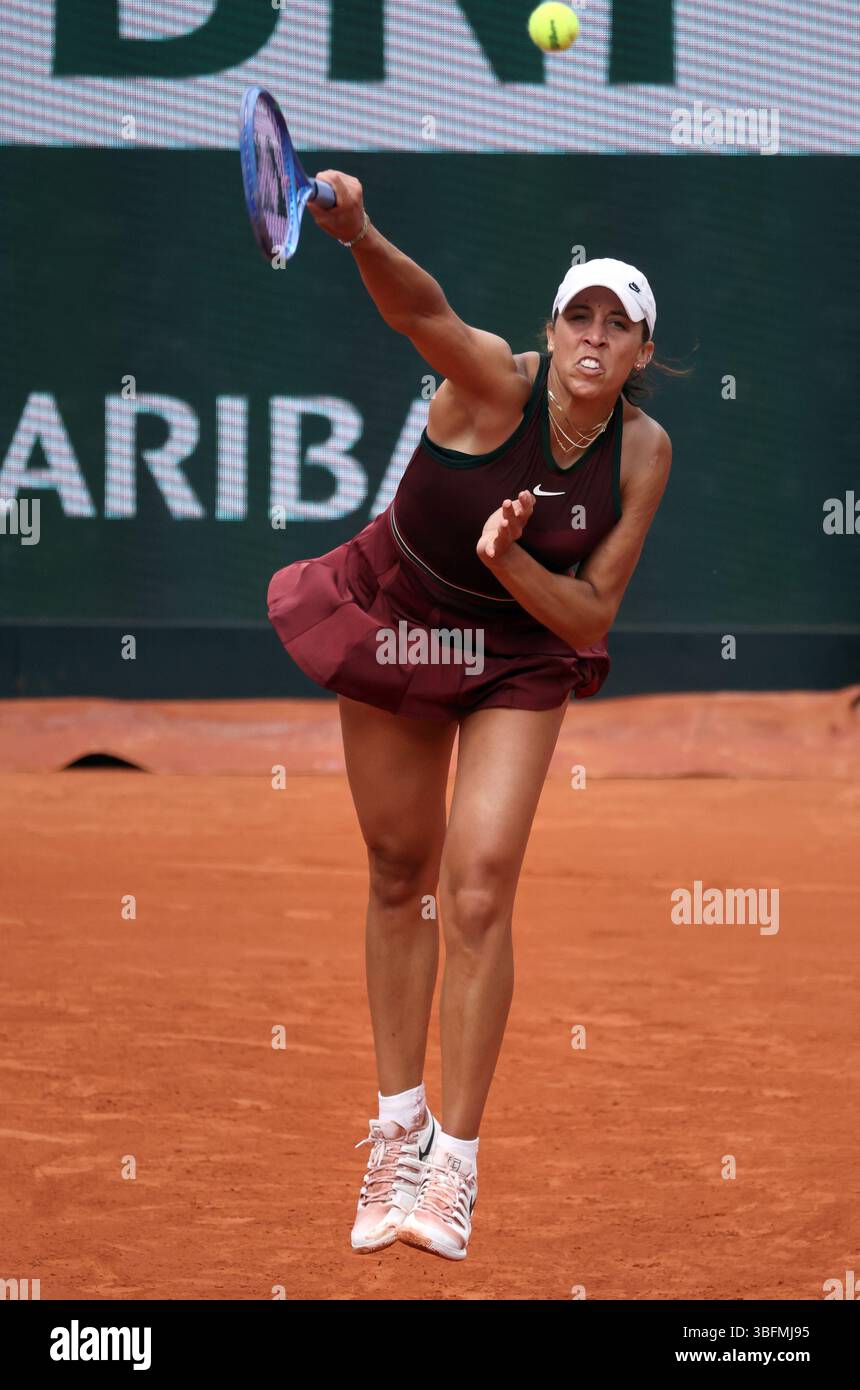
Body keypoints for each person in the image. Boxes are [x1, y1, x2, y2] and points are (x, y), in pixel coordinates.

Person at [267, 171, 673, 1262]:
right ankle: (395, 1125)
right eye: (578, 315)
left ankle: (454, 1162)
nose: (595, 336)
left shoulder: (641, 452)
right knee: (400, 868)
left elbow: (588, 608)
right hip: (399, 617)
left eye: (618, 325)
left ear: (641, 354)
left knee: (478, 882)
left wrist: (506, 561)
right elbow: (418, 309)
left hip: (519, 653)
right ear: (550, 329)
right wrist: (356, 233)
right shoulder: (492, 381)